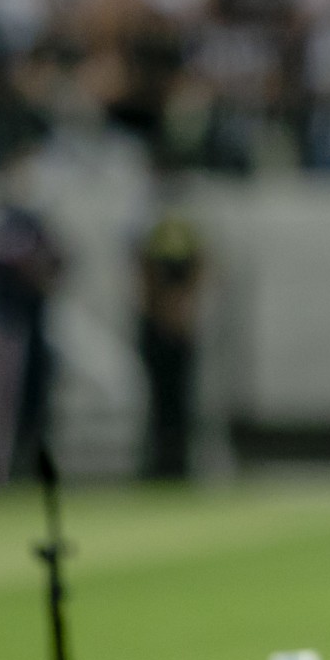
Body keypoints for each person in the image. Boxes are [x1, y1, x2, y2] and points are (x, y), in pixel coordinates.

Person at [0, 143, 65, 485]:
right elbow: (19, 264)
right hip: (7, 324)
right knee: (2, 400)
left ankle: (29, 463)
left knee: (35, 398)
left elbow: (59, 259)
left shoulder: (36, 221)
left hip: (35, 324)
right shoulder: (1, 221)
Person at [135, 193, 206, 481]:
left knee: (178, 400)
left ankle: (177, 463)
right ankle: (161, 462)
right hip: (158, 329)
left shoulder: (176, 232)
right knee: (160, 400)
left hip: (176, 331)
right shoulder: (156, 232)